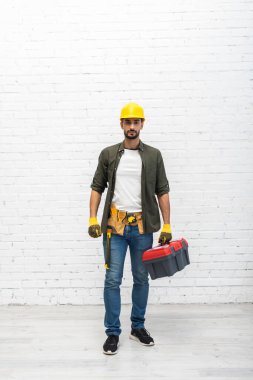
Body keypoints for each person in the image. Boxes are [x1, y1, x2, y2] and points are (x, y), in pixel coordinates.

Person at [88, 102, 172, 355]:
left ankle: (138, 327)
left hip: (143, 227)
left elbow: (162, 191)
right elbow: (97, 187)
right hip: (115, 227)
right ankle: (112, 333)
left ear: (142, 124)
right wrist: (93, 218)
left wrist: (167, 224)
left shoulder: (153, 155)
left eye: (136, 122)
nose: (132, 126)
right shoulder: (109, 154)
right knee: (112, 280)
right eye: (128, 122)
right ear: (121, 124)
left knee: (140, 278)